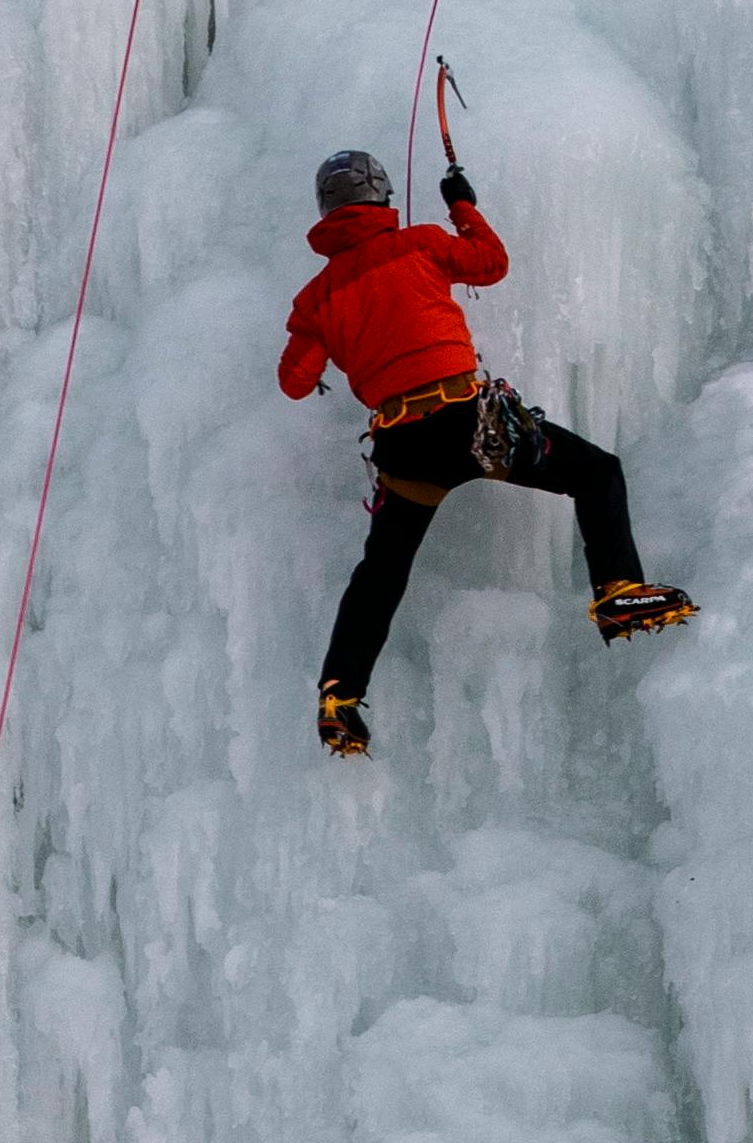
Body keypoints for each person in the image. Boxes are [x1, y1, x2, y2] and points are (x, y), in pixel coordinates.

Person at [280, 108, 693, 755]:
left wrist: (329, 334)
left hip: (403, 450)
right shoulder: (418, 243)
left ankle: (339, 697)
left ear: (326, 213)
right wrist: (463, 204)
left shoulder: (315, 298)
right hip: (468, 424)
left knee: (380, 575)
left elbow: (295, 381)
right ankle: (618, 593)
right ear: (380, 197)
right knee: (595, 472)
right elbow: (490, 263)